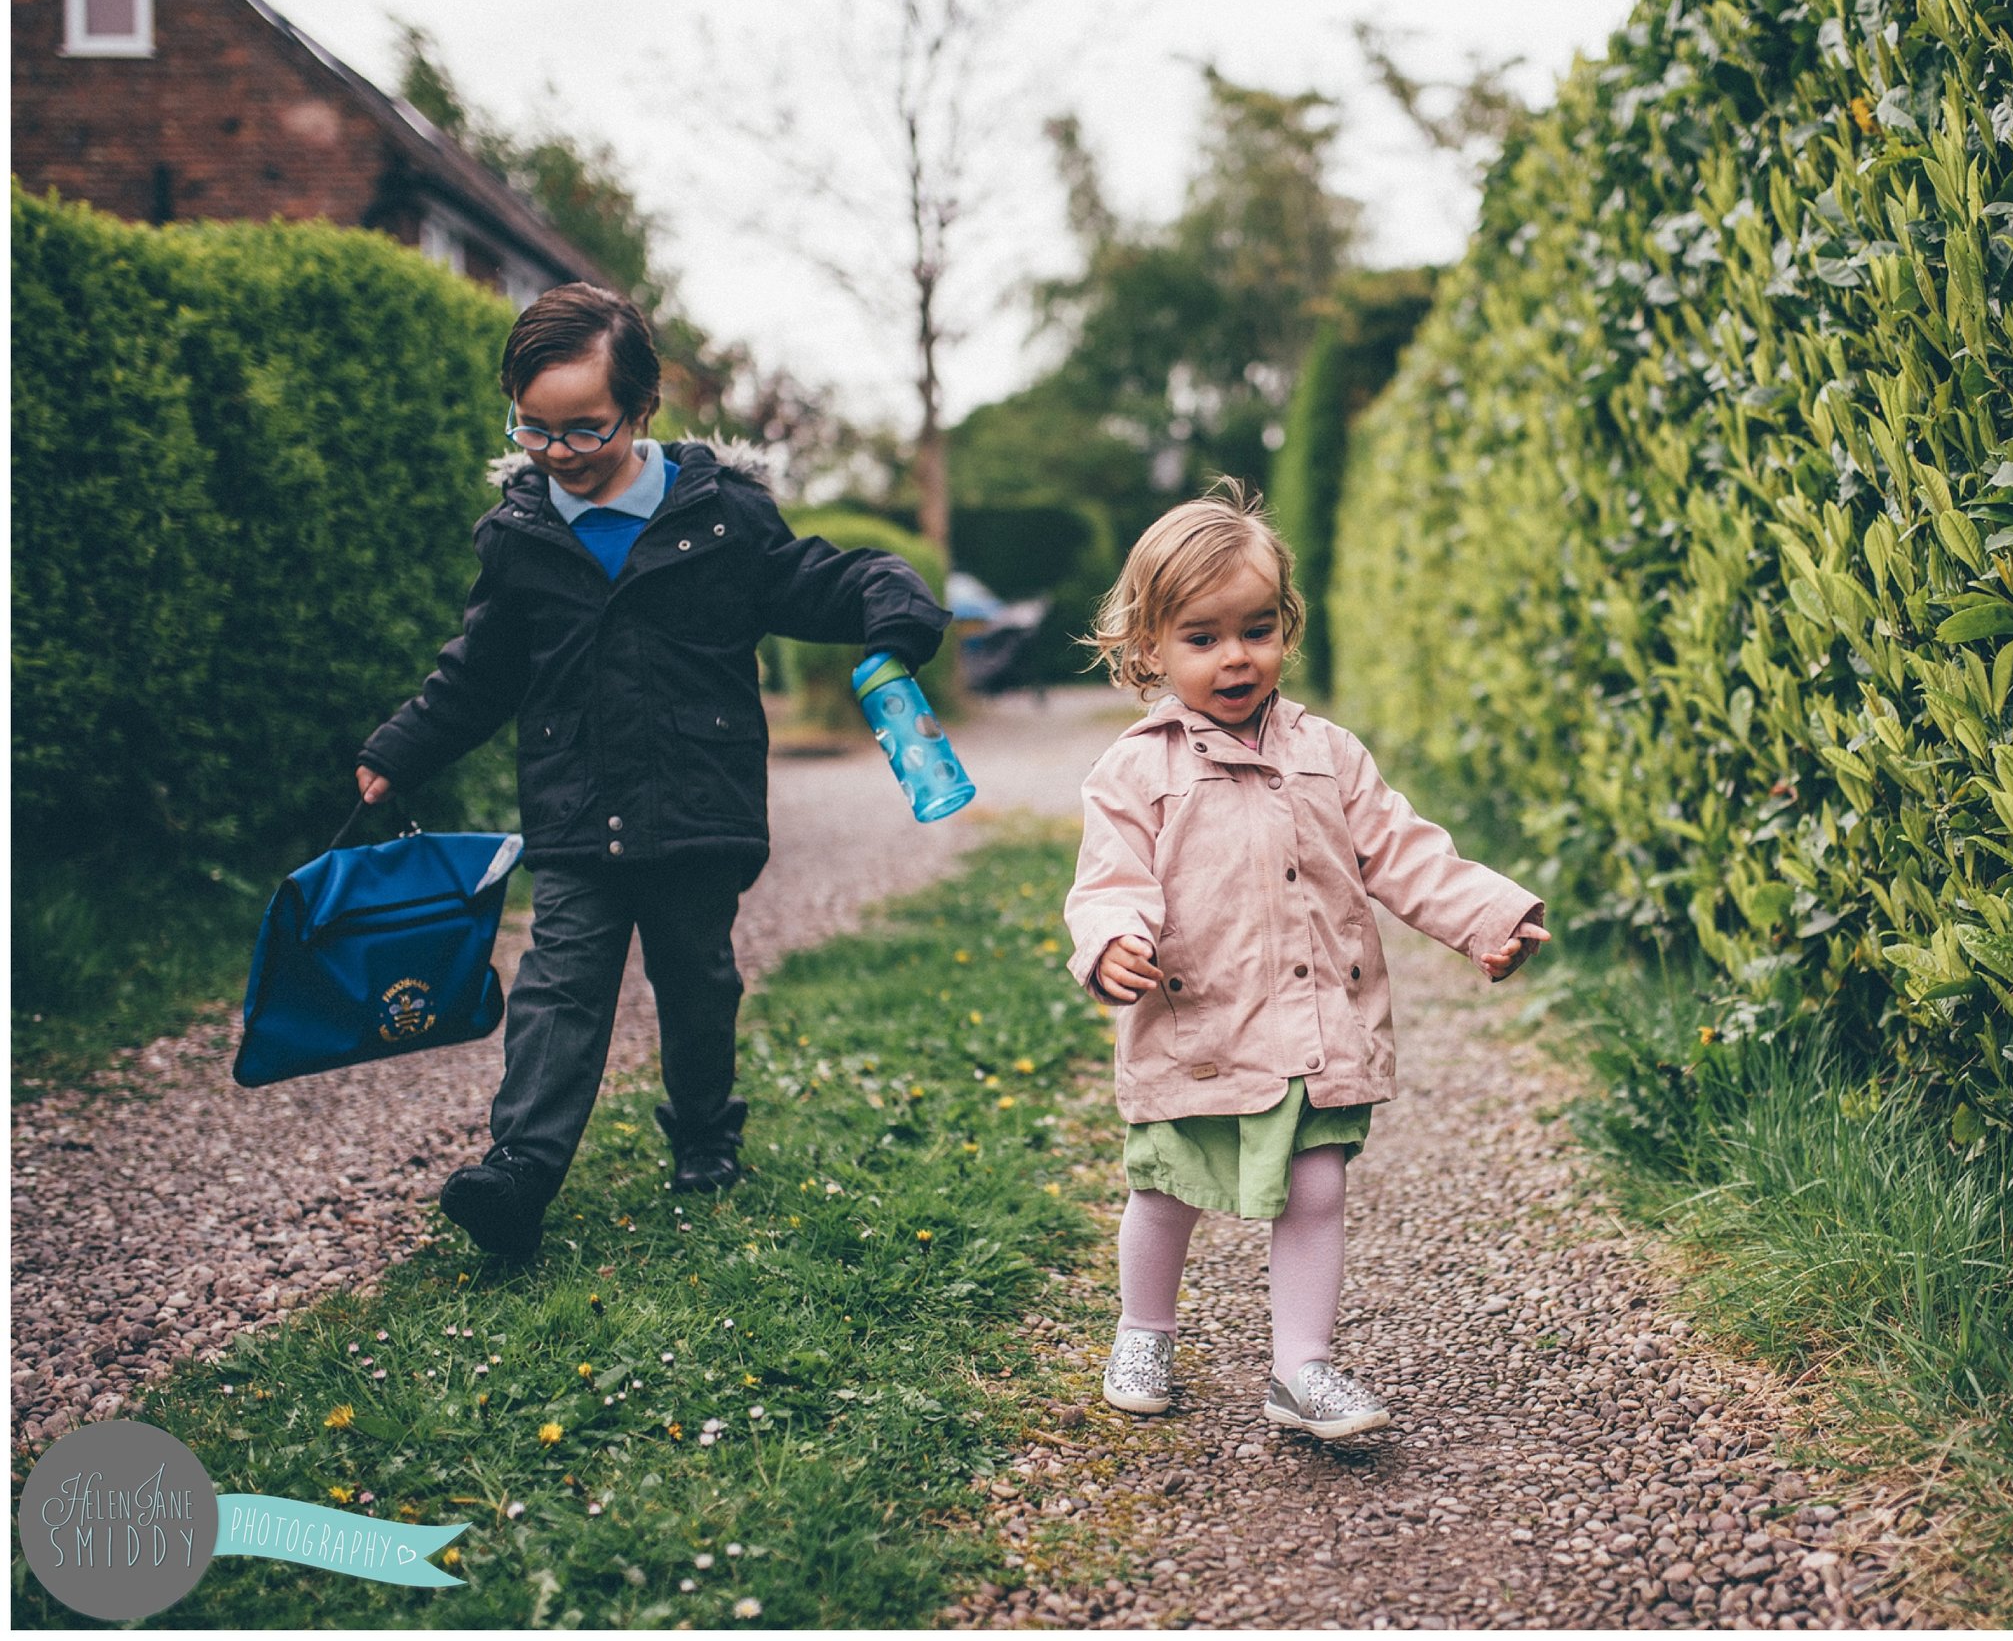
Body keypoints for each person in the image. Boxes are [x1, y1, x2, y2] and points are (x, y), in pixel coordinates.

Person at [354, 283, 948, 1259]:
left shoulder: (722, 519)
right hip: (576, 809)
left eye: (584, 430)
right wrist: (399, 749)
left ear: (639, 411)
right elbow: (479, 673)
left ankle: (706, 1128)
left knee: (696, 979)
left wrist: (895, 607)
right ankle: (519, 1170)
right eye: (535, 429)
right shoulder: (519, 539)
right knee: (560, 982)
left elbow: (820, 577)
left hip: (698, 805)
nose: (560, 454)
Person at [1063, 479, 1551, 1439]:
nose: (1234, 657)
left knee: (1317, 1185)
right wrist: (1114, 939)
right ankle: (1145, 1329)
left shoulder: (1329, 754)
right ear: (1148, 648)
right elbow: (1109, 877)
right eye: (1200, 638)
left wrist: (1487, 913)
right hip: (1197, 1024)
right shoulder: (1136, 768)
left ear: (1285, 626)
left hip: (1317, 1023)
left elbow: (1402, 851)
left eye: (1255, 629)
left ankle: (1303, 1369)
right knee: (1165, 1186)